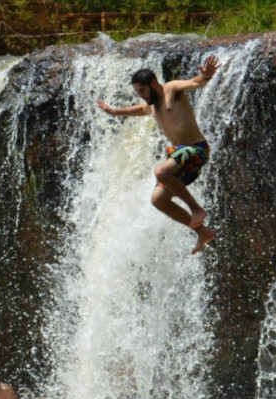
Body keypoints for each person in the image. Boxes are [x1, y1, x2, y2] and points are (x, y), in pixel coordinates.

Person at [95, 56, 221, 255]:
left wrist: (205, 76)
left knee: (161, 171)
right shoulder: (152, 105)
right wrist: (114, 111)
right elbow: (139, 109)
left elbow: (195, 83)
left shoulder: (171, 89)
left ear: (153, 83)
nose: (142, 96)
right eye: (138, 92)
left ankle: (197, 209)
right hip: (182, 157)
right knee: (158, 200)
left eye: (143, 91)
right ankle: (201, 231)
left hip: (197, 149)